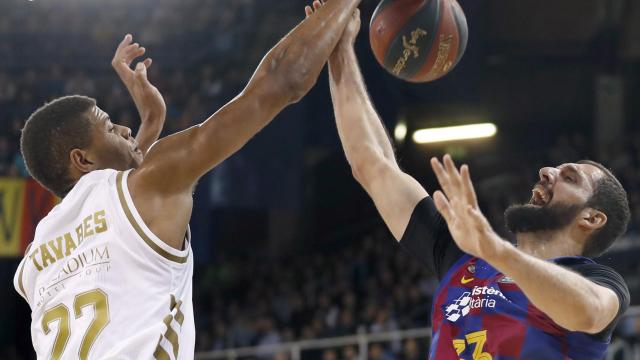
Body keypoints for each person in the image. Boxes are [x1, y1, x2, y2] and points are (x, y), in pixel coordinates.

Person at [13, 0, 361, 357]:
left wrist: (152, 121)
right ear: (82, 158)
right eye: (108, 125)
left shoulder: (32, 262)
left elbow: (113, 218)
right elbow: (281, 82)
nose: (124, 127)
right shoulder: (143, 187)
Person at [311, 2, 631, 357]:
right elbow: (372, 164)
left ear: (592, 218)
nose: (548, 171)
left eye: (570, 177)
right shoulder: (463, 256)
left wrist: (493, 249)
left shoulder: (600, 284)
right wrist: (339, 52)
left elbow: (588, 312)